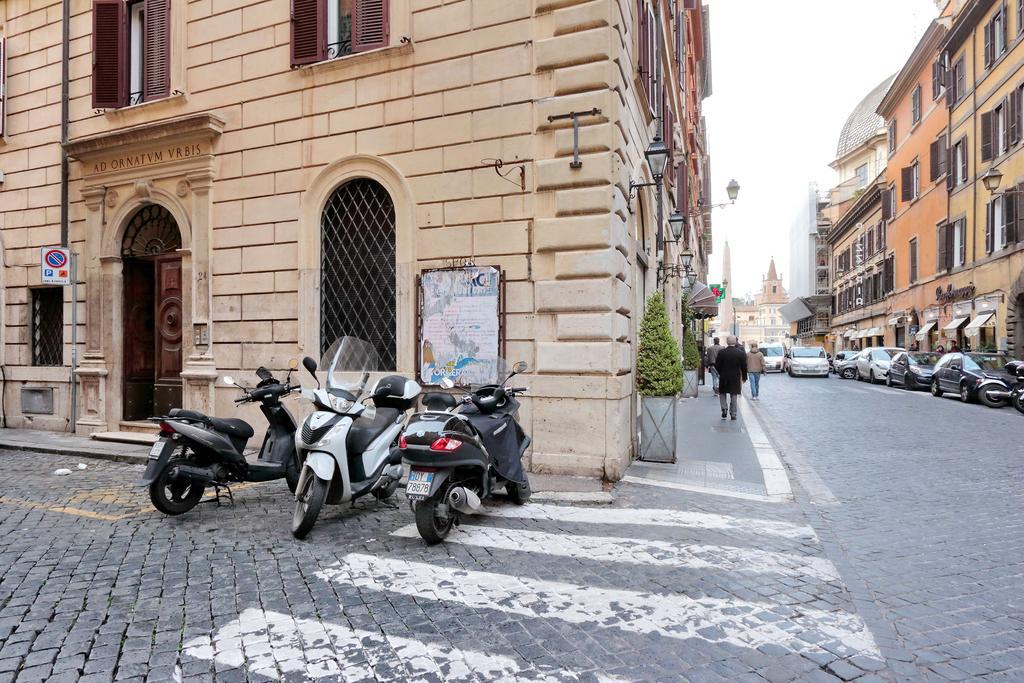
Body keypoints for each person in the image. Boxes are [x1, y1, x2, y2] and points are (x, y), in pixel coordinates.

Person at [714, 336, 748, 420]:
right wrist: (744, 377)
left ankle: (724, 408)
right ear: (735, 342)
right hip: (735, 377)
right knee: (734, 395)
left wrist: (720, 372)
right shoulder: (740, 353)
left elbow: (717, 365)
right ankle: (733, 413)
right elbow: (744, 366)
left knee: (722, 393)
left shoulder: (722, 352)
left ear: (727, 342)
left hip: (724, 376)